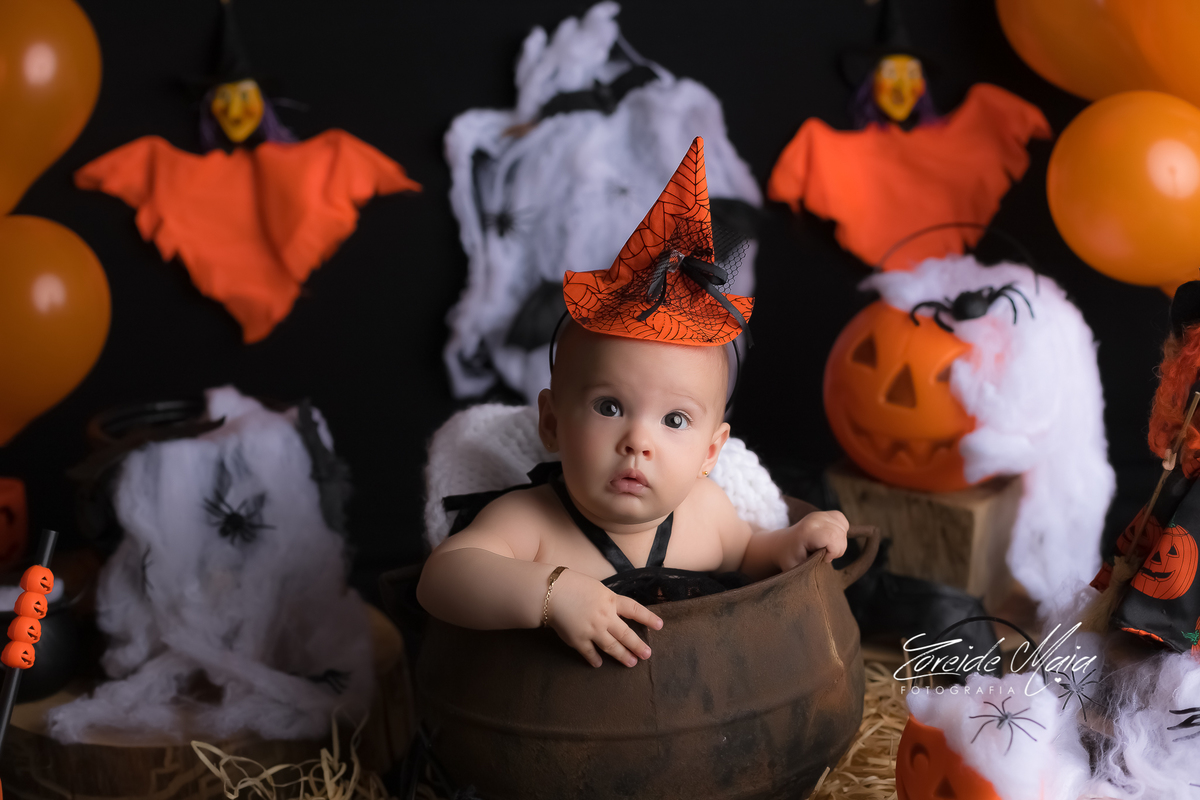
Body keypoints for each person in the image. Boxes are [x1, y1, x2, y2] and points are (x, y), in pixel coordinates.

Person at [417, 138, 850, 669]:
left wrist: (793, 541)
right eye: (609, 407)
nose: (638, 442)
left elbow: (749, 553)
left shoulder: (707, 512)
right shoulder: (529, 521)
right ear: (551, 424)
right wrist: (552, 593)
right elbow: (442, 579)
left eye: (675, 419)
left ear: (710, 452)